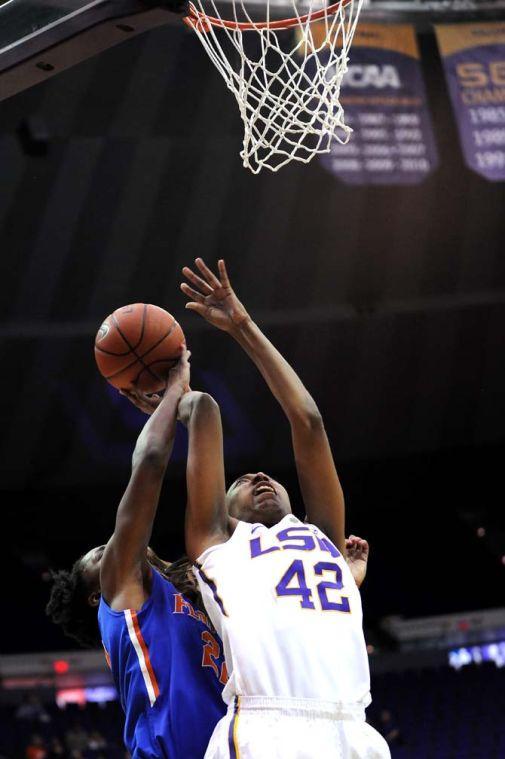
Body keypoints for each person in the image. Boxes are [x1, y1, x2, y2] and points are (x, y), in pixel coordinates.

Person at [180, 259, 390, 758]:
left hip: (354, 730)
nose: (257, 476)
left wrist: (243, 324)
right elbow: (206, 413)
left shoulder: (323, 536)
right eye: (239, 480)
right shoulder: (219, 545)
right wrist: (179, 399)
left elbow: (309, 423)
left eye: (266, 476)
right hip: (271, 728)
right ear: (221, 509)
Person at [46, 351, 227, 758]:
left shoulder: (190, 597)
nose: (111, 546)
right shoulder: (119, 595)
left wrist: (188, 407)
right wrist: (172, 395)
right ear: (97, 595)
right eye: (100, 554)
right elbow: (148, 462)